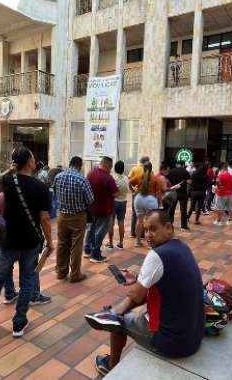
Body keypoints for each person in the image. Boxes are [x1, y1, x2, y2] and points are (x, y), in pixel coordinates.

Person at [84, 210, 204, 375]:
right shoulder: (182, 247)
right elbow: (163, 283)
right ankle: (113, 313)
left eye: (153, 229)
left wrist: (117, 311)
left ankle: (111, 364)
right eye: (146, 229)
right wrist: (138, 279)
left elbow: (136, 296)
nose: (148, 235)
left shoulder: (157, 255)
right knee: (131, 308)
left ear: (169, 228)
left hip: (172, 341)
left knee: (117, 323)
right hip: (193, 335)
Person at [0, 146, 55, 338]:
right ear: (29, 162)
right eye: (33, 158)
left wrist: (11, 170)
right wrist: (50, 242)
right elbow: (45, 218)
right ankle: (19, 323)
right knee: (27, 281)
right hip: (31, 242)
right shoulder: (41, 187)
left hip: (8, 242)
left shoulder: (7, 182)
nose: (35, 161)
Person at [54, 157, 94, 282]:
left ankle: (61, 271)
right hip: (78, 216)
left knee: (62, 243)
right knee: (76, 245)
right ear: (79, 165)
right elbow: (90, 199)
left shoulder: (58, 177)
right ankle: (75, 274)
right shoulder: (82, 179)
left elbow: (55, 194)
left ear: (70, 163)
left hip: (62, 215)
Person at [84, 156, 118, 263]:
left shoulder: (90, 174)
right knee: (99, 232)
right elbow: (115, 193)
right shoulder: (108, 178)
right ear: (108, 165)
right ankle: (95, 255)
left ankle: (87, 250)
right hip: (104, 210)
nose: (111, 169)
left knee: (90, 229)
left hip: (91, 208)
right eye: (111, 167)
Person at [133, 162, 164, 247]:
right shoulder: (155, 179)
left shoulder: (139, 176)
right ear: (151, 168)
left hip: (138, 198)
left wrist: (134, 192)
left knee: (139, 221)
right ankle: (151, 244)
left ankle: (138, 242)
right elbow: (158, 193)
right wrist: (160, 204)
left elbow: (130, 182)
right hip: (150, 200)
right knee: (152, 222)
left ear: (143, 168)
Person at [107, 160, 129, 249]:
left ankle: (111, 243)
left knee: (111, 223)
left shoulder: (112, 178)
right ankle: (121, 242)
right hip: (123, 202)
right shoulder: (126, 178)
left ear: (115, 168)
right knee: (121, 223)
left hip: (113, 202)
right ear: (123, 169)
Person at [127, 156, 149, 239]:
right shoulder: (148, 171)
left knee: (134, 214)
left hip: (136, 193)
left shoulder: (134, 169)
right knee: (143, 214)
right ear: (147, 162)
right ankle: (141, 234)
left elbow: (129, 178)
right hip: (145, 194)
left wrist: (133, 190)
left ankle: (133, 233)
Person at [166, 160, 191, 230]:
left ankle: (170, 224)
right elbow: (189, 182)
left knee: (171, 209)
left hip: (173, 192)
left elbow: (167, 180)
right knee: (183, 210)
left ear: (177, 164)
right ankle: (183, 226)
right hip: (183, 193)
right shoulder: (185, 171)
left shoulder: (171, 171)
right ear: (183, 165)